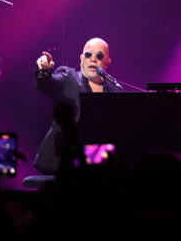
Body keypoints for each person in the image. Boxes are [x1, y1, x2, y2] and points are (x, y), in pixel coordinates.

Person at [33, 37, 122, 174]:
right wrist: (44, 71)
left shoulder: (113, 91)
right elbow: (48, 84)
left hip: (97, 164)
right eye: (88, 54)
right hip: (60, 160)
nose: (93, 59)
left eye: (99, 56)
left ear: (107, 63)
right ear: (81, 58)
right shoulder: (68, 76)